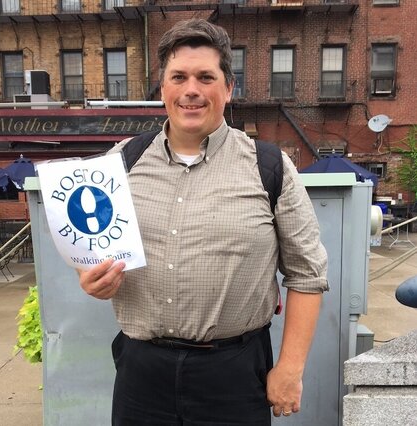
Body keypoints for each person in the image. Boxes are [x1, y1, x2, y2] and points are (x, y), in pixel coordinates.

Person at [79, 18, 328, 426]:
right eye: (178, 77)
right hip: (142, 374)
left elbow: (307, 275)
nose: (191, 89)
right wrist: (90, 278)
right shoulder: (119, 164)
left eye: (205, 77)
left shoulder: (269, 167)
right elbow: (92, 246)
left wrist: (290, 368)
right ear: (163, 89)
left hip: (233, 374)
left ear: (228, 88)